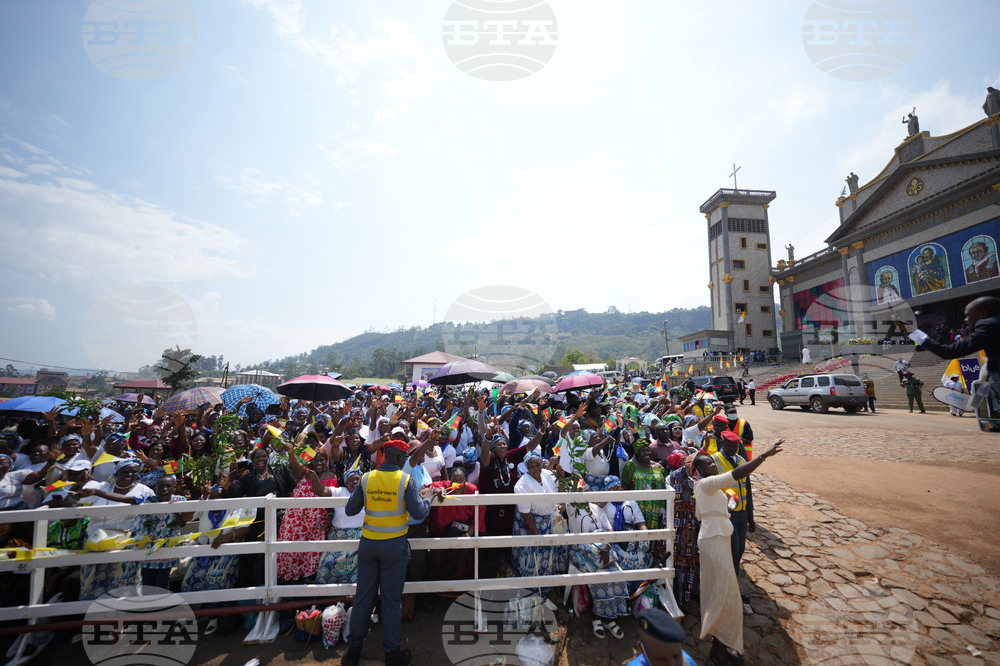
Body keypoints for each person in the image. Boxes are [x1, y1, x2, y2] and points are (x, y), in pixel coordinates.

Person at [342, 439, 440, 666]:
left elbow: (350, 509)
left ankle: (353, 653)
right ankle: (393, 656)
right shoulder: (404, 480)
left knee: (363, 599)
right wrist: (428, 499)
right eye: (404, 457)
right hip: (394, 547)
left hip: (368, 545)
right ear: (398, 457)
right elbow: (418, 512)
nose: (405, 460)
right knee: (391, 601)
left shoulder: (366, 478)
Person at [690, 439, 783, 665]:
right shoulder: (705, 483)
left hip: (719, 536)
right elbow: (738, 474)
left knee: (721, 593)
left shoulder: (710, 486)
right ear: (699, 469)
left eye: (713, 463)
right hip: (713, 540)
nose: (713, 465)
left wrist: (729, 502)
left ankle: (718, 648)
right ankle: (721, 650)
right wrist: (763, 456)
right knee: (727, 595)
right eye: (709, 464)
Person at [512, 451, 566, 599]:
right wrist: (536, 536)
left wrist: (561, 478)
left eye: (538, 465)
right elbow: (526, 516)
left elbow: (560, 492)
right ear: (526, 467)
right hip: (529, 525)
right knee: (530, 559)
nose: (536, 468)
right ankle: (529, 595)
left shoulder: (548, 475)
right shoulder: (522, 485)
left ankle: (544, 593)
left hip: (546, 522)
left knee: (545, 559)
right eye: (532, 466)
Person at [710, 432, 753, 604]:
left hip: (741, 513)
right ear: (722, 443)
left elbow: (747, 490)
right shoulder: (715, 460)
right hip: (725, 514)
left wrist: (751, 515)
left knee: (740, 550)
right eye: (729, 445)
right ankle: (732, 588)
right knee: (733, 551)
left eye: (735, 446)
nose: (732, 448)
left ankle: (729, 582)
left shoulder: (742, 461)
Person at [314, 467, 365, 585]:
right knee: (327, 564)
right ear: (346, 483)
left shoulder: (367, 493)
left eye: (357, 479)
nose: (355, 482)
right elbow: (322, 491)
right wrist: (314, 479)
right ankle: (324, 597)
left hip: (359, 538)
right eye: (351, 480)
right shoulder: (340, 492)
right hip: (338, 537)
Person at [627, 607, 696, 666]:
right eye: (662, 659)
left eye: (675, 656)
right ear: (642, 649)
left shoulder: (688, 662)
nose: (671, 664)